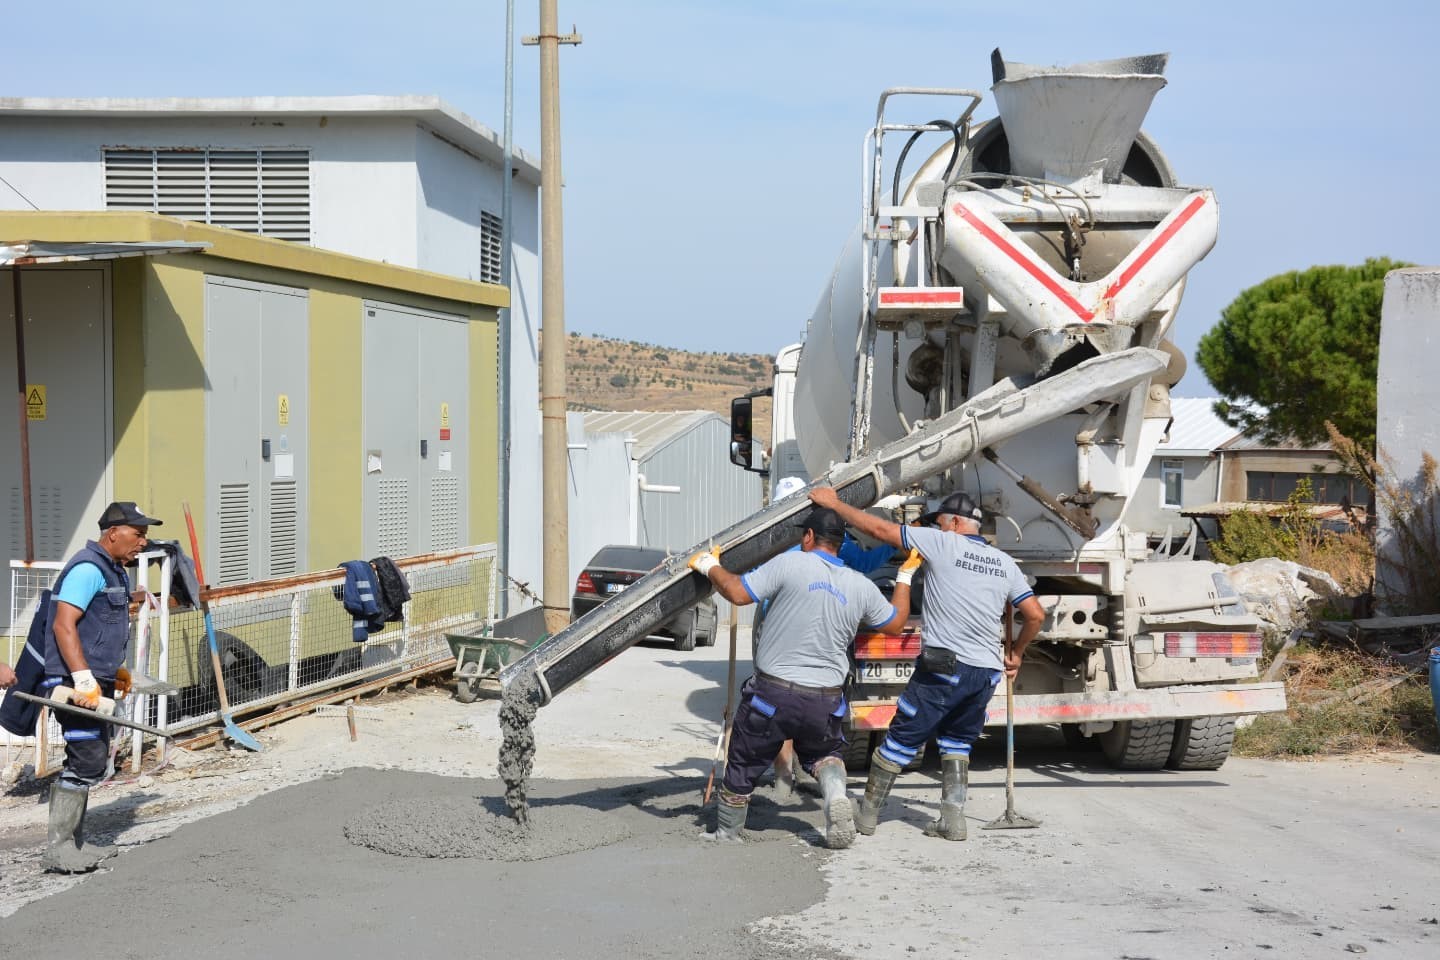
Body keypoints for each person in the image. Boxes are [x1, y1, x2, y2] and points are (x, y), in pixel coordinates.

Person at [809, 486, 1045, 841]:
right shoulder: (1004, 563)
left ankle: (868, 815)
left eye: (939, 523)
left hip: (944, 663)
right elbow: (1035, 615)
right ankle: (953, 821)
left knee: (901, 738)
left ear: (951, 523)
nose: (935, 528)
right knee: (957, 742)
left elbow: (881, 532)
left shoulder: (941, 542)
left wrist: (835, 505)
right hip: (985, 671)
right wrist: (1017, 652)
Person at [689, 506, 911, 848]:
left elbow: (736, 592)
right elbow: (896, 623)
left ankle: (727, 832)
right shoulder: (859, 585)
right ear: (841, 543)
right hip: (826, 699)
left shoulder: (790, 563)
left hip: (773, 696)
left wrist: (709, 565)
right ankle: (835, 794)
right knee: (825, 755)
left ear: (808, 537)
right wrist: (906, 576)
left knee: (745, 758)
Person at [40, 500, 161, 873]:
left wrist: (115, 671)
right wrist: (83, 678)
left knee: (89, 759)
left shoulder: (114, 571)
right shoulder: (87, 568)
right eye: (138, 534)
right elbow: (64, 625)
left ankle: (74, 843)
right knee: (87, 758)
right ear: (113, 533)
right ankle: (59, 849)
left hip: (96, 679)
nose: (143, 542)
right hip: (74, 683)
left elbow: (99, 630)